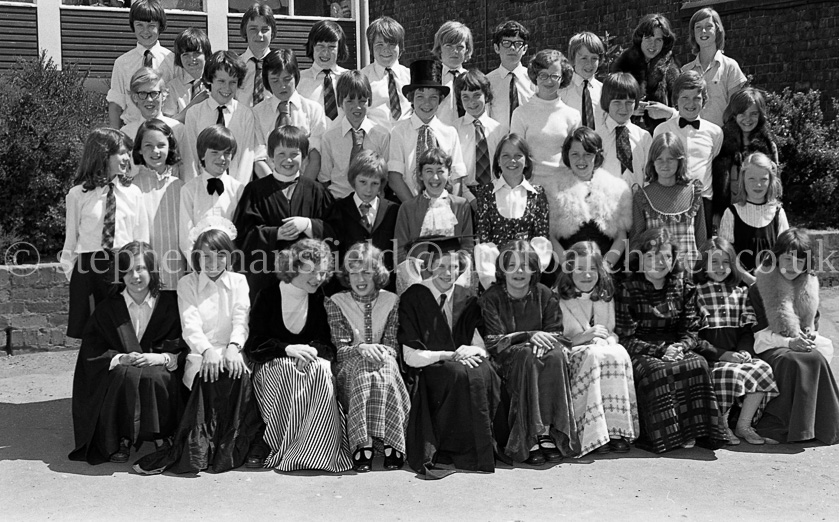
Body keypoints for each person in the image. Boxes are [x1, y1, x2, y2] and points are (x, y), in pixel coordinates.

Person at [133, 223, 263, 474]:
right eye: (205, 255)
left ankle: (231, 448)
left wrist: (234, 347)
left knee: (237, 372)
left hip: (231, 349)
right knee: (209, 372)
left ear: (230, 256)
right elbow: (190, 325)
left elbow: (241, 319)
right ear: (196, 257)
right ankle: (201, 450)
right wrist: (207, 351)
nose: (212, 262)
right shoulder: (187, 283)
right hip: (199, 351)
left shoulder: (239, 281)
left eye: (219, 255)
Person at [70, 242, 184, 465]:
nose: (135, 276)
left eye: (141, 268)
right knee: (126, 374)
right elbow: (92, 351)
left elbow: (183, 344)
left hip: (160, 370)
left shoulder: (171, 304)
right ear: (120, 274)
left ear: (152, 270)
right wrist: (120, 358)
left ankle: (162, 434)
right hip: (122, 375)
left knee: (156, 375)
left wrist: (162, 358)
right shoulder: (107, 308)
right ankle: (121, 437)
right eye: (128, 270)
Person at [615, 228, 726, 452]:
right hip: (641, 348)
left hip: (675, 345)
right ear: (640, 258)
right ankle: (664, 437)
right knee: (656, 371)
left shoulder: (683, 287)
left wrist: (680, 346)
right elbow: (625, 337)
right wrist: (660, 351)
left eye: (665, 255)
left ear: (674, 258)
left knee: (697, 363)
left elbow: (692, 330)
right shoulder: (627, 288)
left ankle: (697, 433)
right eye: (651, 256)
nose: (659, 261)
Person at [397, 237, 501, 478]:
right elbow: (411, 356)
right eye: (441, 266)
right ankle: (452, 450)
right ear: (430, 266)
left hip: (460, 362)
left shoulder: (468, 299)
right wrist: (449, 354)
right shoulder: (414, 297)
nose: (447, 272)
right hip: (427, 369)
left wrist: (472, 351)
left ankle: (482, 449)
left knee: (484, 371)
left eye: (453, 266)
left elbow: (482, 347)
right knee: (457, 372)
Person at [246, 239, 353, 471]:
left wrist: (313, 349)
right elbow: (254, 345)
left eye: (323, 272)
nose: (318, 277)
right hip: (272, 364)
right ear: (293, 267)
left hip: (308, 364)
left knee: (322, 370)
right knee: (287, 369)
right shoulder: (267, 295)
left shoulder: (319, 299)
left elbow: (327, 344)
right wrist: (287, 349)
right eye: (311, 271)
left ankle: (317, 451)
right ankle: (271, 442)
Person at [479, 240, 579, 464]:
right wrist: (528, 336)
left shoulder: (545, 294)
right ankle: (530, 437)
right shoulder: (491, 298)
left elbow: (558, 334)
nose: (519, 271)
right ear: (502, 270)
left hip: (541, 353)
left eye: (525, 265)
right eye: (512, 265)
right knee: (527, 356)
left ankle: (548, 432)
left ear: (535, 269)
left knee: (553, 355)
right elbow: (494, 342)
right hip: (506, 361)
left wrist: (540, 341)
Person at [325, 242, 410, 472]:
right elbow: (340, 349)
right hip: (350, 366)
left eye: (366, 271)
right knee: (364, 369)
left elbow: (392, 345)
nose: (359, 278)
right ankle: (363, 442)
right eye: (353, 272)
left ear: (377, 274)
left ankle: (393, 441)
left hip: (384, 360)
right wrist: (361, 348)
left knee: (386, 366)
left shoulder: (391, 300)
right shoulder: (335, 301)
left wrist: (380, 351)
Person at [749, 228, 839, 445]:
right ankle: (779, 426)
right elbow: (758, 335)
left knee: (814, 356)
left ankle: (819, 427)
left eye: (800, 260)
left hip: (797, 345)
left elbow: (812, 325)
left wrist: (808, 336)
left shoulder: (809, 285)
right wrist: (791, 342)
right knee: (796, 360)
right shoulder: (759, 286)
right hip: (767, 346)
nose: (792, 266)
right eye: (787, 259)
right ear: (776, 256)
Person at [60, 128, 150, 339]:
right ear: (102, 154)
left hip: (122, 268)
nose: (127, 158)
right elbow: (71, 241)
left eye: (128, 152)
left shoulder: (133, 193)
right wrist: (75, 276)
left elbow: (141, 239)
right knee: (93, 337)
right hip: (88, 271)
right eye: (121, 152)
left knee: (123, 334)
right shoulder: (77, 195)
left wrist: (138, 272)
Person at [692, 237, 779, 445]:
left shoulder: (740, 293)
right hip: (712, 356)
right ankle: (721, 425)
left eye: (725, 263)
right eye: (714, 262)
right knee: (729, 374)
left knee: (762, 368)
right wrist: (722, 354)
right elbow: (694, 337)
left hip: (736, 354)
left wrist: (745, 350)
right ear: (703, 265)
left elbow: (747, 331)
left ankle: (743, 425)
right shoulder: (695, 293)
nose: (720, 267)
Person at [555, 241, 639, 455]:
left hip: (599, 348)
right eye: (580, 269)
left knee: (619, 352)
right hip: (569, 352)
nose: (587, 275)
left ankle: (616, 429)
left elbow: (609, 331)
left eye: (592, 268)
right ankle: (591, 431)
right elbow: (555, 338)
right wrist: (585, 337)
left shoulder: (604, 296)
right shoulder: (557, 297)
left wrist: (608, 339)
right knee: (592, 354)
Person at [233, 125, 334, 300]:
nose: (288, 160)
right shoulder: (255, 191)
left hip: (307, 278)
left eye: (294, 154)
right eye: (281, 154)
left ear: (304, 157)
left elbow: (335, 231)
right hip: (265, 274)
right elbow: (242, 234)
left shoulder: (316, 191)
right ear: (270, 157)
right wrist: (275, 234)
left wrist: (309, 225)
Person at [473, 134, 550, 289]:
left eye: (518, 156)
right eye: (506, 156)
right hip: (495, 279)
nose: (512, 161)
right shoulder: (486, 193)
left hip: (527, 278)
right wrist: (493, 282)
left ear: (527, 161)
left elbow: (541, 239)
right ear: (498, 161)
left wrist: (528, 275)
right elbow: (484, 241)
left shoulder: (537, 193)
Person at [181, 50, 269, 183]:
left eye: (232, 82)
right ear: (210, 80)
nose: (227, 88)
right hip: (202, 188)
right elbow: (191, 158)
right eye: (221, 81)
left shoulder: (245, 114)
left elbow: (246, 158)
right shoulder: (194, 113)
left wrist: (238, 193)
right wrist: (196, 192)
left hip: (235, 191)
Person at [394, 148, 473, 293]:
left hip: (452, 278)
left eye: (440, 171)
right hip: (419, 280)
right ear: (420, 175)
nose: (435, 178)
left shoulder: (461, 205)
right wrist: (416, 283)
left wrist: (456, 278)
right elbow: (399, 250)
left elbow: (467, 248)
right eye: (429, 171)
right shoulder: (407, 208)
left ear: (449, 174)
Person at [653, 70, 723, 236]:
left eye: (696, 98)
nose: (690, 103)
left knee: (701, 251)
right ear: (675, 99)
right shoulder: (662, 130)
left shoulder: (715, 132)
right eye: (685, 97)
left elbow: (713, 160)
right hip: (670, 198)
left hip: (702, 202)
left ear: (704, 101)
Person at [387, 58, 467, 202]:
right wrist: (414, 208)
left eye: (433, 97)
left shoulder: (449, 133)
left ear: (440, 100)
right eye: (420, 97)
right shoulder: (399, 132)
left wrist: (448, 208)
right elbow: (395, 178)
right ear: (411, 98)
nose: (426, 103)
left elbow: (456, 177)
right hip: (409, 205)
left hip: (443, 208)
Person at [551, 128, 632, 269]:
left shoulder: (616, 189)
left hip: (607, 270)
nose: (581, 160)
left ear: (597, 155)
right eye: (575, 154)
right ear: (566, 155)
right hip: (567, 271)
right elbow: (550, 238)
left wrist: (605, 267)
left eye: (587, 154)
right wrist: (569, 267)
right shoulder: (553, 190)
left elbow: (621, 236)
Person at [325, 150, 399, 292]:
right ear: (353, 180)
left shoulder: (393, 211)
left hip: (385, 289)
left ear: (381, 184)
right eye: (363, 182)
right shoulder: (338, 210)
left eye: (374, 183)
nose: (368, 189)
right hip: (348, 289)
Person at [632, 132, 706, 270]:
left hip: (689, 272)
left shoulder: (693, 192)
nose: (665, 164)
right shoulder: (643, 196)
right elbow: (637, 241)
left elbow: (701, 236)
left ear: (680, 161)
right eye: (659, 159)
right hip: (657, 272)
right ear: (652, 162)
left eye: (670, 159)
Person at [509, 49, 581, 193]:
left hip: (563, 189)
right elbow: (515, 154)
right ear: (535, 76)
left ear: (562, 78)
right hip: (530, 189)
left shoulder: (572, 115)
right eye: (543, 75)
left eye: (554, 76)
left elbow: (576, 156)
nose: (549, 81)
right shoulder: (521, 113)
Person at [253, 48, 327, 181]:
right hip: (269, 188)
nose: (282, 86)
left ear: (296, 76)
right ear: (266, 81)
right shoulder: (257, 113)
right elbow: (258, 159)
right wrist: (276, 190)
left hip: (305, 185)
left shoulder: (313, 110)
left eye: (287, 79)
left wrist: (302, 189)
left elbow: (315, 157)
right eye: (275, 80)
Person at [131, 119, 185, 292]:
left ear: (169, 147)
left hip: (178, 275)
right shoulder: (132, 188)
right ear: (139, 148)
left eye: (161, 145)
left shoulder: (181, 187)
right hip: (143, 279)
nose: (155, 151)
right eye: (148, 145)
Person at [318, 70, 391, 198]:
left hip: (372, 202)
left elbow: (386, 177)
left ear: (370, 101)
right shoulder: (329, 138)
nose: (357, 107)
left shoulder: (382, 135)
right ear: (340, 102)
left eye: (362, 101)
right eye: (350, 101)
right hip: (339, 202)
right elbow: (325, 178)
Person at [178, 125, 245, 262]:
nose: (222, 158)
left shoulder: (238, 189)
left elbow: (243, 231)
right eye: (215, 152)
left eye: (227, 153)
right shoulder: (189, 190)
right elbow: (186, 236)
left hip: (230, 266)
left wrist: (231, 265)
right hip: (200, 266)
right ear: (202, 154)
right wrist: (199, 267)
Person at [718, 152, 788, 282]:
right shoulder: (731, 213)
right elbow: (726, 255)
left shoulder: (778, 213)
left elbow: (785, 255)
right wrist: (750, 280)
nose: (758, 184)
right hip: (739, 289)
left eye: (763, 179)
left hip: (771, 287)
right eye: (752, 179)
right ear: (743, 179)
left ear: (771, 180)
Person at [713, 88, 779, 222]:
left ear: (760, 115)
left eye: (753, 113)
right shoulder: (720, 142)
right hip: (727, 216)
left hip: (759, 215)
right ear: (733, 114)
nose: (748, 119)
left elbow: (775, 184)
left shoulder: (768, 145)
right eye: (742, 113)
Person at [107, 0, 174, 129]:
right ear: (133, 26)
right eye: (139, 25)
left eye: (151, 25)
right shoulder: (122, 63)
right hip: (133, 131)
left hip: (164, 132)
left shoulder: (172, 61)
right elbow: (115, 105)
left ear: (160, 26)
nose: (145, 31)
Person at [611, 13, 680, 132]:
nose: (652, 44)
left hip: (662, 138)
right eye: (648, 37)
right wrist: (630, 109)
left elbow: (685, 111)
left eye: (658, 39)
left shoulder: (672, 69)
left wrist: (668, 112)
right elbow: (609, 106)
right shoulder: (624, 65)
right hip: (628, 137)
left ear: (665, 42)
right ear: (640, 38)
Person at [681, 7, 748, 128]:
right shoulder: (685, 71)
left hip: (722, 139)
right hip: (693, 139)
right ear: (693, 33)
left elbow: (737, 109)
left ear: (717, 29)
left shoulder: (730, 67)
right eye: (698, 27)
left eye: (708, 26)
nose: (703, 31)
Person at [454, 69, 505, 205]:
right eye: (466, 97)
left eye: (477, 95)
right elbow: (453, 171)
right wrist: (471, 200)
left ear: (486, 95)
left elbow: (504, 168)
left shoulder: (500, 130)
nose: (472, 102)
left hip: (497, 194)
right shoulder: (453, 130)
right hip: (464, 195)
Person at [596, 72, 652, 188]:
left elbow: (649, 174)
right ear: (606, 102)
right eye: (617, 102)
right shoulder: (596, 137)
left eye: (629, 103)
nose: (623, 108)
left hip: (637, 201)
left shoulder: (644, 137)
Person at [120, 68, 185, 163]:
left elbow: (187, 168)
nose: (149, 99)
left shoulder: (178, 129)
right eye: (143, 94)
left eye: (154, 93)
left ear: (163, 95)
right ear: (134, 97)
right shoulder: (126, 133)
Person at [360, 16, 411, 130]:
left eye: (391, 44)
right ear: (371, 48)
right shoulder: (363, 78)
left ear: (400, 47)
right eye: (379, 45)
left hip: (407, 141)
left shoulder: (411, 76)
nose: (386, 50)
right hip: (375, 141)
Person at [297, 20, 349, 122]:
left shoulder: (349, 79)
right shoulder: (298, 80)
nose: (325, 52)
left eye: (331, 47)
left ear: (340, 49)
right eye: (320, 46)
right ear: (312, 46)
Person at [486, 21, 534, 128]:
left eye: (518, 44)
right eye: (506, 43)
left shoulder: (534, 80)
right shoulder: (487, 82)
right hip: (498, 141)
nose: (512, 48)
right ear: (496, 48)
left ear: (525, 49)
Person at [558, 32, 605, 130]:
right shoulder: (561, 90)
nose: (589, 63)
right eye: (584, 58)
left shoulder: (604, 91)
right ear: (572, 59)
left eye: (594, 58)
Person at [163, 27, 212, 122]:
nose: (192, 59)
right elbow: (169, 124)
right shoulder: (172, 88)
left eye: (197, 53)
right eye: (186, 55)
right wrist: (194, 104)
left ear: (206, 54)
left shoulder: (216, 83)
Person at [431, 21, 473, 126]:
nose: (454, 51)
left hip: (466, 136)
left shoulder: (472, 79)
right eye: (449, 46)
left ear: (467, 50)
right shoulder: (432, 77)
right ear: (440, 48)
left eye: (460, 47)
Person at [236, 3, 275, 108]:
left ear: (272, 32)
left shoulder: (280, 66)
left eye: (265, 29)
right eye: (253, 29)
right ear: (245, 31)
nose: (259, 35)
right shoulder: (235, 65)